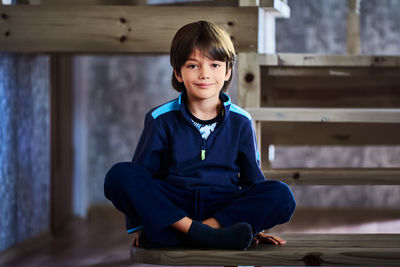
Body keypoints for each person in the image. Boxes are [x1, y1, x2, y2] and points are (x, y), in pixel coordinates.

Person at [104, 20, 296, 250]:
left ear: (228, 72)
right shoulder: (160, 119)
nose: (204, 74)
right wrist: (141, 224)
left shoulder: (241, 121)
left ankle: (190, 233)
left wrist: (256, 226)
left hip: (222, 204)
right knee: (120, 175)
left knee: (281, 194)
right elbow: (142, 176)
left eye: (214, 65)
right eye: (193, 66)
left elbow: (253, 180)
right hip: (176, 204)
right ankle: (203, 233)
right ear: (178, 73)